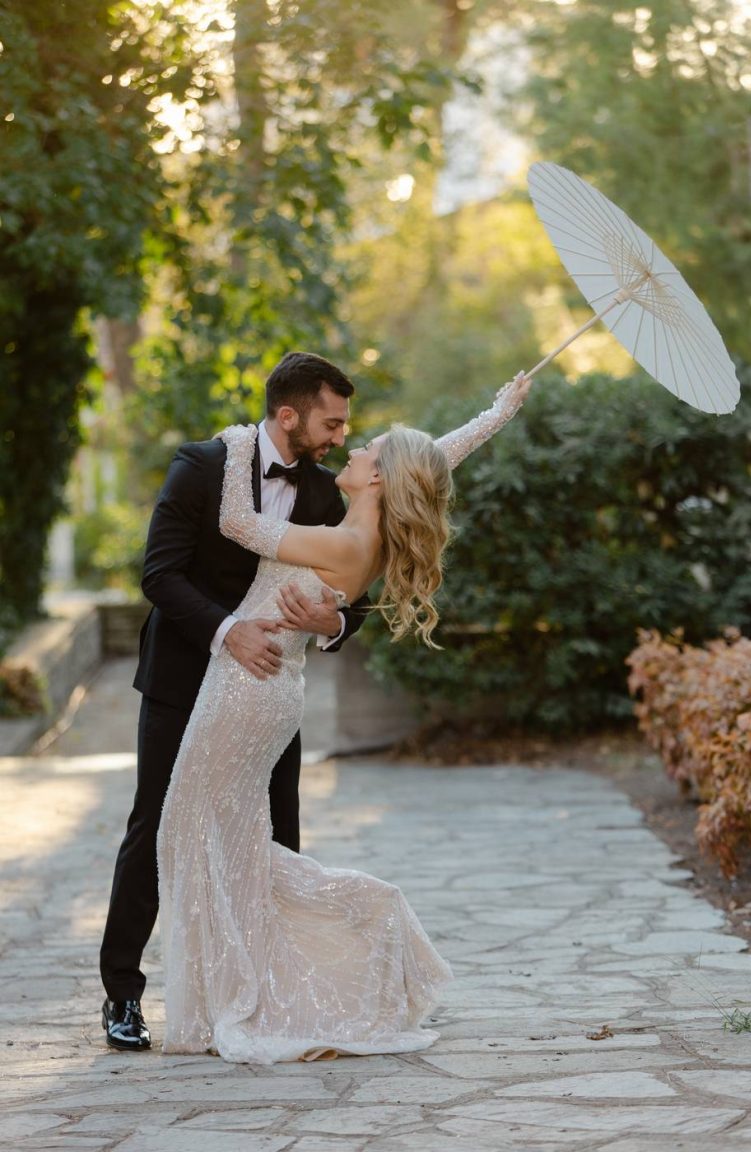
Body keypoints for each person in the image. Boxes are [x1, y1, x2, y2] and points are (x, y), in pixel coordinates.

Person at [156, 370, 531, 1064]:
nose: (355, 448)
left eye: (370, 449)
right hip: (265, 687)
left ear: (378, 479)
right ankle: (233, 993)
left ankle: (356, 922)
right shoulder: (364, 534)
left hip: (247, 687)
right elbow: (431, 458)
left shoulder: (346, 544)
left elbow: (236, 523)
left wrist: (239, 441)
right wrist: (496, 413)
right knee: (215, 839)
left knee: (194, 834)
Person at [100, 352, 370, 1051]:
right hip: (184, 677)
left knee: (280, 831)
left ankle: (273, 990)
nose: (341, 436)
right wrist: (228, 632)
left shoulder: (324, 494)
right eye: (332, 423)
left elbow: (356, 591)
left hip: (268, 691)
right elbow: (159, 574)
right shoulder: (202, 466)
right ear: (289, 414)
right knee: (156, 824)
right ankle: (122, 993)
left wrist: (332, 623)